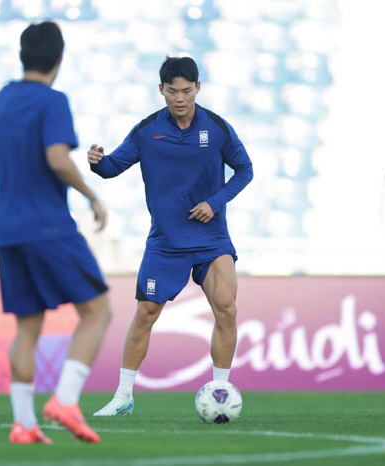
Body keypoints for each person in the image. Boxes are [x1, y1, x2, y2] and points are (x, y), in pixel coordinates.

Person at [0, 21, 110, 444]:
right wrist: (91, 196)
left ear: (22, 56)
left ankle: (23, 424)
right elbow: (58, 159)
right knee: (97, 311)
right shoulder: (52, 101)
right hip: (48, 227)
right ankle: (64, 399)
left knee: (28, 327)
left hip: (6, 231)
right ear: (59, 60)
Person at [88, 56, 253, 416]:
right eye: (173, 91)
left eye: (187, 90)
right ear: (161, 90)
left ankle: (221, 391)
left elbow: (244, 169)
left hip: (211, 240)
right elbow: (114, 166)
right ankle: (123, 397)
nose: (180, 98)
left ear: (198, 89)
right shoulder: (148, 130)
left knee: (227, 309)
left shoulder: (217, 128)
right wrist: (98, 162)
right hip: (166, 243)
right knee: (145, 313)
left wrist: (215, 201)